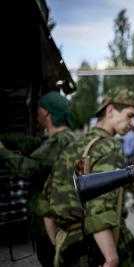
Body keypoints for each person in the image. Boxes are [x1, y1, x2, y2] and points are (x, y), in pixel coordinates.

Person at [47, 87, 134, 267]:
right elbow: (100, 206)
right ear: (110, 111)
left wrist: (57, 242)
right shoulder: (109, 147)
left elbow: (46, 202)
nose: (133, 123)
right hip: (97, 248)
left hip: (67, 245)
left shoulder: (73, 146)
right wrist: (111, 258)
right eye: (130, 115)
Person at [0, 91, 76, 267]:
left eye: (39, 109)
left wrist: (2, 152)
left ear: (47, 113)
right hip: (55, 213)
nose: (36, 114)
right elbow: (31, 143)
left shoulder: (61, 140)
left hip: (51, 216)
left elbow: (31, 168)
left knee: (51, 258)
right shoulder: (59, 138)